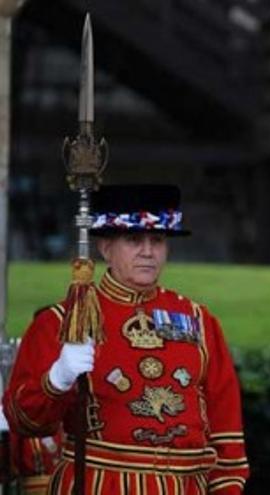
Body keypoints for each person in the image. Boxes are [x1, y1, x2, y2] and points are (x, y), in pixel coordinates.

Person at [3, 184, 249, 494]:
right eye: (134, 240)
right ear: (106, 247)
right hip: (99, 485)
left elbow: (227, 434)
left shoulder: (199, 320)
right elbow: (23, 420)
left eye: (157, 240)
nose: (148, 252)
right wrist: (57, 379)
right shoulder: (63, 322)